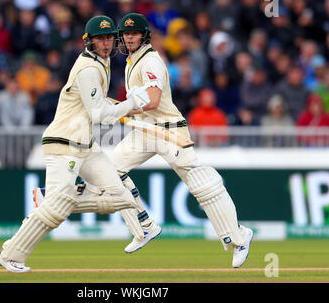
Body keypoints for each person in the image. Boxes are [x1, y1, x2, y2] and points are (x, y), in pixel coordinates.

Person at [0, 15, 151, 273]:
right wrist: (131, 103)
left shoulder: (105, 60)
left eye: (109, 37)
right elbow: (99, 115)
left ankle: (50, 197)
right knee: (55, 213)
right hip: (64, 141)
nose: (106, 42)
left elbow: (98, 105)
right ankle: (11, 254)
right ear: (88, 41)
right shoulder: (89, 68)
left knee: (122, 197)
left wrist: (127, 106)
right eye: (100, 38)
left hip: (85, 144)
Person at [108, 13, 252, 267]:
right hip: (145, 130)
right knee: (109, 171)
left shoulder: (151, 61)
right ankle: (144, 227)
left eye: (134, 33)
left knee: (202, 186)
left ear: (144, 36)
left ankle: (239, 237)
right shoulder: (132, 61)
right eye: (126, 34)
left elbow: (152, 101)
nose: (129, 37)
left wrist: (121, 108)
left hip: (169, 131)